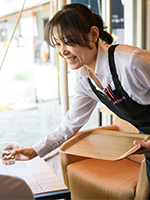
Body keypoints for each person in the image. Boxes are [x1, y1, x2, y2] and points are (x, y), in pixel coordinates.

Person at [12, 3, 150, 187]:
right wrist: (34, 150)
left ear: (93, 34)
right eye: (57, 44)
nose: (62, 51)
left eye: (68, 41)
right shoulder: (84, 78)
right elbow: (71, 123)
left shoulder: (132, 61)